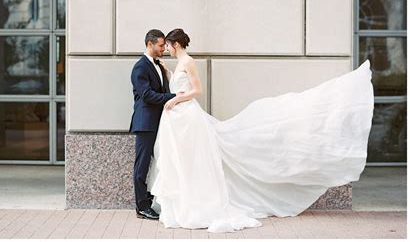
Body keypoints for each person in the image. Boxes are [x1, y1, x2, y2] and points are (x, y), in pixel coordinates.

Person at [146, 28, 374, 233]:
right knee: (183, 161)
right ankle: (185, 201)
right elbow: (179, 85)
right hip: (179, 120)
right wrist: (168, 73)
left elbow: (197, 90)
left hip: (188, 116)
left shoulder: (189, 62)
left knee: (196, 160)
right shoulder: (177, 65)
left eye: (167, 45)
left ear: (175, 44)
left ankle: (197, 204)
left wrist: (176, 101)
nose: (165, 49)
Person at [130, 29, 183, 220]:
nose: (163, 48)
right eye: (161, 45)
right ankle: (141, 206)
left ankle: (152, 199)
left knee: (160, 162)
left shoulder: (158, 65)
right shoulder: (140, 67)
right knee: (142, 166)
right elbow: (147, 95)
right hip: (145, 124)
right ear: (150, 44)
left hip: (160, 122)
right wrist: (175, 97)